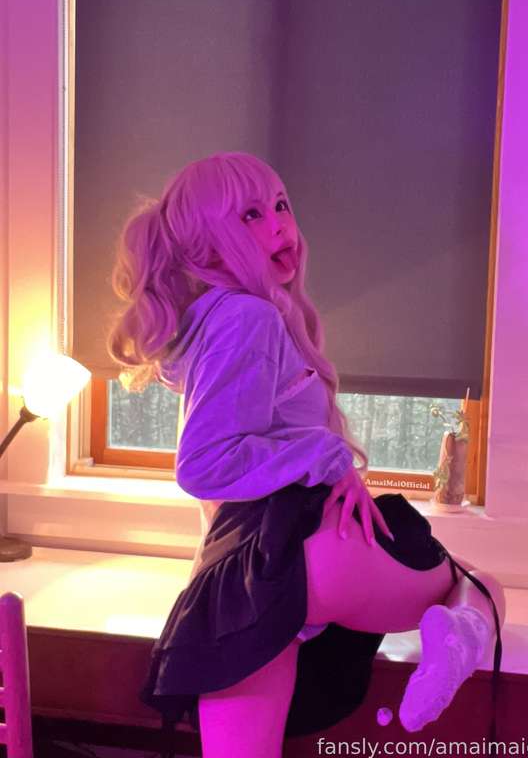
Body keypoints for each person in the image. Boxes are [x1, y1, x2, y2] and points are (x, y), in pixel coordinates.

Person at [106, 152, 506, 758]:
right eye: (250, 214)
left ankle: (449, 638)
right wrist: (326, 452)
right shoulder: (249, 317)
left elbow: (224, 473)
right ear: (207, 247)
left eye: (280, 205)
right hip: (308, 548)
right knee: (480, 586)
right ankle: (458, 638)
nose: (278, 224)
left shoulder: (216, 321)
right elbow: (203, 464)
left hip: (252, 566)